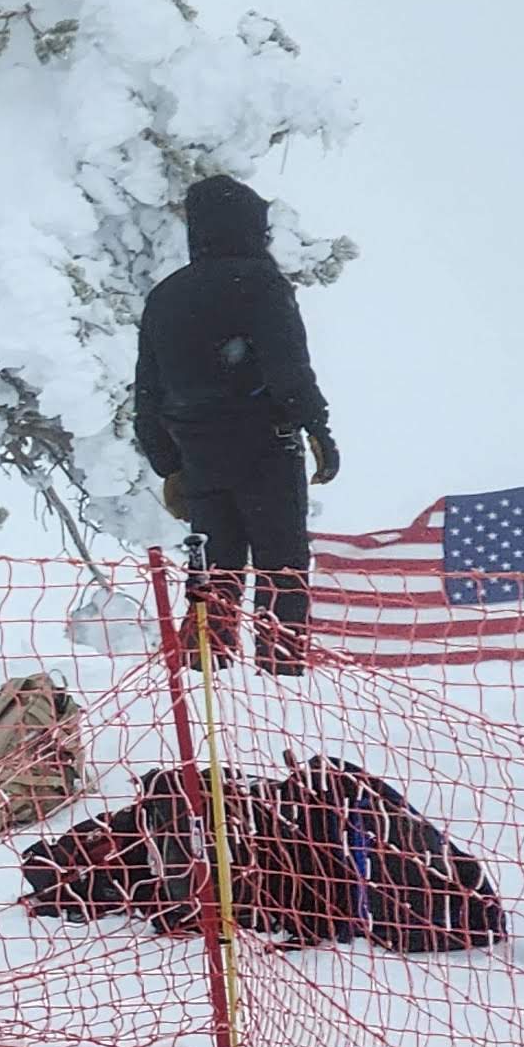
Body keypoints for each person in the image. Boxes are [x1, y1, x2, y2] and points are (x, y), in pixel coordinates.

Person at [135, 173, 338, 675]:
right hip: (263, 445)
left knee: (214, 568)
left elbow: (146, 390)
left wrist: (167, 464)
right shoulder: (259, 281)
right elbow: (287, 365)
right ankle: (281, 668)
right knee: (281, 567)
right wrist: (317, 427)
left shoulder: (165, 296)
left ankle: (208, 667)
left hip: (197, 452)